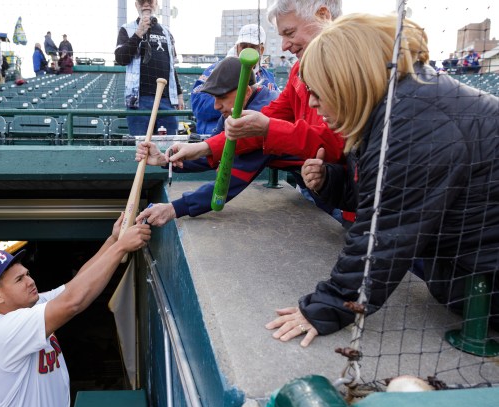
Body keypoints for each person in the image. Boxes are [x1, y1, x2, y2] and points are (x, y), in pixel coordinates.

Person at [264, 13, 499, 347]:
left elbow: (384, 233)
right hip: (470, 270)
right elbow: (382, 196)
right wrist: (333, 181)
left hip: (486, 281)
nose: (312, 101)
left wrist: (327, 307)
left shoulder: (415, 122)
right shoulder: (403, 103)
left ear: (347, 80)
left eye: (317, 90)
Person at [0, 216, 151, 407]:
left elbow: (74, 287)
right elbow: (73, 302)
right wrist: (122, 248)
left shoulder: (30, 308)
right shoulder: (4, 331)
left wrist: (113, 240)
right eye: (19, 280)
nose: (30, 281)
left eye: (27, 274)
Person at [162, 0, 346, 211]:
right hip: (326, 188)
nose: (285, 45)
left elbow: (335, 143)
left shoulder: (350, 66)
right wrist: (202, 147)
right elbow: (256, 130)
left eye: (290, 32)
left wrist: (268, 127)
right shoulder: (298, 71)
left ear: (322, 16)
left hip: (353, 197)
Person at [136, 56, 288, 226]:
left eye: (221, 97)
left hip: (314, 172)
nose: (216, 106)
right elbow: (216, 152)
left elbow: (231, 179)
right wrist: (166, 160)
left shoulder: (262, 113)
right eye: (214, 98)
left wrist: (174, 209)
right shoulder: (234, 110)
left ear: (246, 93)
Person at [191, 24, 279, 135]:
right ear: (237, 47)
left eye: (252, 47)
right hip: (212, 134)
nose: (247, 50)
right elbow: (198, 106)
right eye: (243, 46)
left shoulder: (267, 77)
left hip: (251, 135)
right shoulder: (217, 70)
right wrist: (230, 102)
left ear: (261, 50)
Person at [115, 0, 185, 136]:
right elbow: (121, 59)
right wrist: (138, 33)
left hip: (166, 99)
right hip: (139, 99)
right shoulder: (127, 28)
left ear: (156, 5)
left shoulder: (166, 32)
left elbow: (171, 66)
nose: (146, 4)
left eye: (150, 1)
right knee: (141, 146)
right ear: (136, 5)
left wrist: (179, 93)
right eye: (142, 1)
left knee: (168, 146)